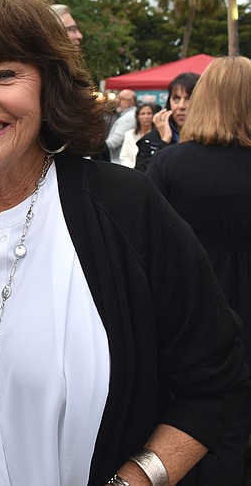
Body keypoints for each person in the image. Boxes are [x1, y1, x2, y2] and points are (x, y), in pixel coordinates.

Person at [0, 0, 247, 486]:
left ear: (48, 83)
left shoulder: (124, 210)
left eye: (5, 74)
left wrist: (136, 480)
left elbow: (215, 379)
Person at [146, 55, 251, 486]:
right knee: (233, 426)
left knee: (181, 418)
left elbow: (144, 243)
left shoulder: (170, 164)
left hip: (185, 309)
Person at [135, 72, 199, 172]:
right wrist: (164, 142)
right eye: (176, 99)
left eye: (188, 99)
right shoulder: (152, 140)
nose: (181, 106)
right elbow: (143, 176)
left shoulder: (212, 137)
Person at [119, 102, 157, 168]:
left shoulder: (157, 136)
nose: (146, 117)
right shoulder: (129, 135)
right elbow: (124, 157)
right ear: (137, 116)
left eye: (149, 113)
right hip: (131, 170)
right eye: (143, 114)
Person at [104, 88, 136, 163]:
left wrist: (96, 147)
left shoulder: (128, 118)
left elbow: (115, 142)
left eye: (122, 99)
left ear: (131, 102)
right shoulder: (129, 115)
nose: (118, 101)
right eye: (118, 98)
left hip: (119, 161)